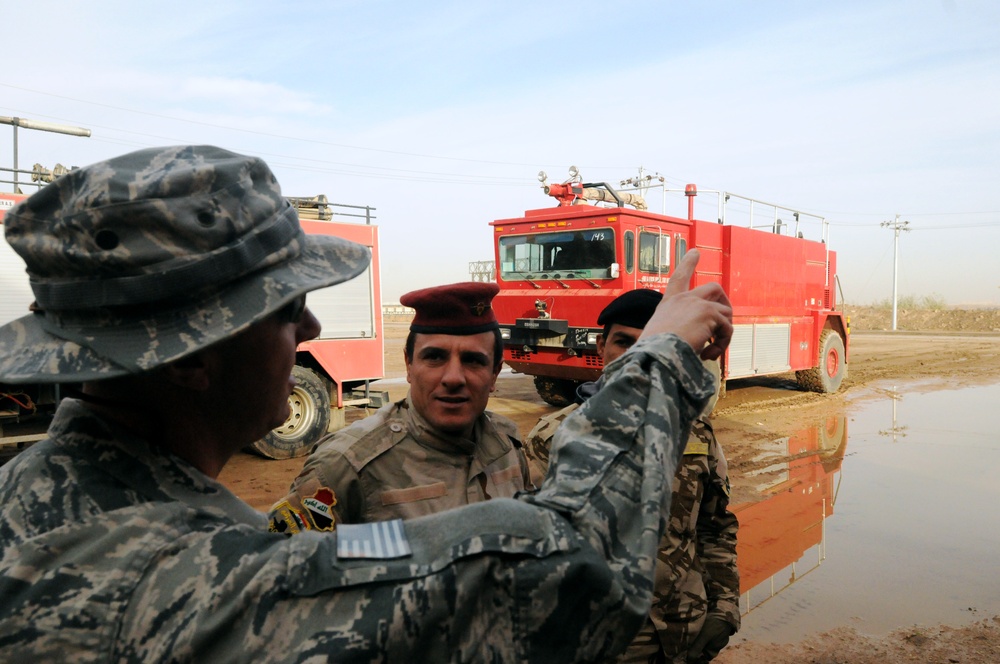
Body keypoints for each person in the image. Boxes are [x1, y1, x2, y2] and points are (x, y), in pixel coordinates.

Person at [0, 145, 733, 662]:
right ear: (193, 357)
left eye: (475, 360)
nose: (313, 329)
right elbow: (570, 567)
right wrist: (658, 359)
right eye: (287, 309)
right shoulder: (181, 574)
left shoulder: (36, 497)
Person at [524, 289, 740, 664]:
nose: (638, 357)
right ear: (600, 345)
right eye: (624, 342)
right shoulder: (552, 439)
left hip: (681, 636)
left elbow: (715, 526)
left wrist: (725, 606)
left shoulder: (697, 434)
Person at [267, 281, 530, 534]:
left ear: (495, 373)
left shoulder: (506, 445)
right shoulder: (346, 466)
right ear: (408, 364)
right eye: (435, 357)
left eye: (473, 361)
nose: (453, 378)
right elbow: (283, 569)